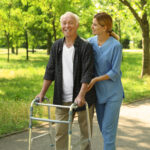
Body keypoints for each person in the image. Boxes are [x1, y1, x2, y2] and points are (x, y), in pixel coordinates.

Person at [36, 12, 96, 150]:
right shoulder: (56, 46)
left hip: (83, 97)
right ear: (61, 26)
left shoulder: (85, 46)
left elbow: (87, 72)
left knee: (85, 136)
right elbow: (50, 70)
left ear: (77, 25)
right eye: (64, 23)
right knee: (60, 133)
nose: (67, 26)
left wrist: (81, 95)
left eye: (70, 23)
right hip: (62, 97)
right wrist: (42, 93)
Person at [87, 12, 124, 150]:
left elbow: (115, 72)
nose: (92, 27)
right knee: (104, 129)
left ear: (104, 27)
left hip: (113, 94)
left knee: (108, 131)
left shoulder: (116, 46)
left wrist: (96, 79)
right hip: (99, 94)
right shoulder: (90, 42)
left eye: (95, 24)